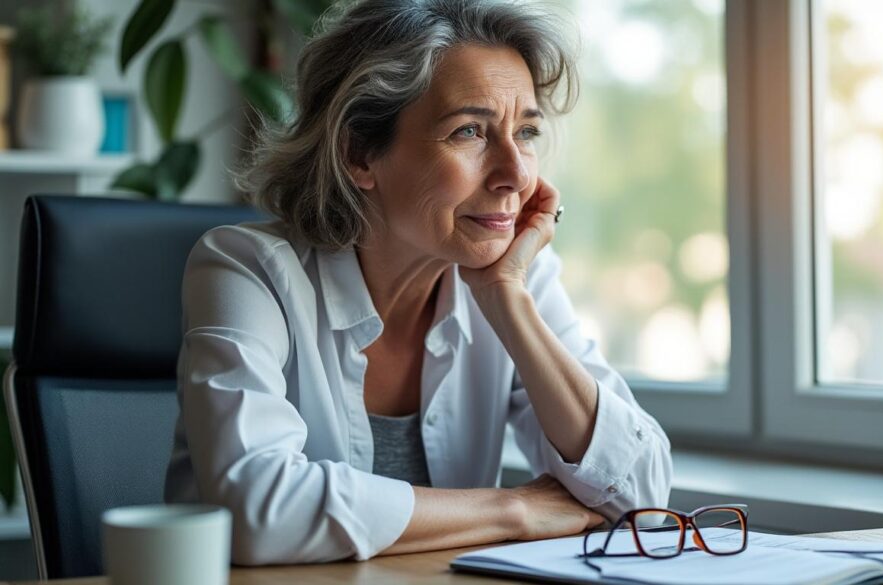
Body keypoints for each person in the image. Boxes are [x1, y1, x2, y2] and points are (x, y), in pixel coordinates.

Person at [164, 0, 672, 565]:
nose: (516, 174)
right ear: (359, 152)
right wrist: (513, 511)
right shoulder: (247, 269)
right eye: (471, 131)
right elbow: (254, 508)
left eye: (525, 132)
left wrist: (507, 300)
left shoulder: (514, 281)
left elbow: (639, 497)